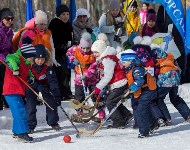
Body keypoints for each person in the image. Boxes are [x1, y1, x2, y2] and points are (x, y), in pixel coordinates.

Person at [91, 38, 133, 129]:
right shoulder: (105, 58)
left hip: (119, 83)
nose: (94, 54)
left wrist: (99, 87)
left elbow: (108, 76)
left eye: (96, 52)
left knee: (110, 102)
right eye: (93, 52)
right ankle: (126, 115)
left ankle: (119, 122)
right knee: (114, 101)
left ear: (101, 50)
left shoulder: (107, 59)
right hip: (117, 82)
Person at [2, 36, 36, 142]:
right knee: (20, 111)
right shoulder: (17, 58)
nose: (32, 60)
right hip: (11, 90)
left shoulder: (26, 62)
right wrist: (15, 68)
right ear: (25, 56)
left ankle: (17, 131)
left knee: (18, 111)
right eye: (31, 58)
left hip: (17, 90)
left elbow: (27, 71)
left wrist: (31, 76)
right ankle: (22, 132)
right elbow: (9, 58)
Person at [120, 49, 158, 138]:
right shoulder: (130, 68)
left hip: (149, 90)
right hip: (143, 91)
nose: (123, 64)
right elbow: (131, 82)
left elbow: (139, 81)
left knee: (141, 110)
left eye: (124, 62)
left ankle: (144, 132)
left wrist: (131, 90)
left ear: (130, 61)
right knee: (143, 108)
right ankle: (153, 124)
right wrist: (128, 93)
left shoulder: (137, 69)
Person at [25, 44, 62, 134]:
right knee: (30, 105)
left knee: (51, 102)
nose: (40, 61)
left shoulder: (48, 68)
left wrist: (56, 96)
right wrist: (38, 86)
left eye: (42, 59)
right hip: (31, 87)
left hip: (45, 87)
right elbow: (29, 79)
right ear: (34, 58)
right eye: (38, 59)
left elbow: (53, 82)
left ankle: (53, 122)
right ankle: (30, 125)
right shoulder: (29, 67)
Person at [151, 44, 190, 124]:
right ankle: (188, 115)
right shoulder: (169, 56)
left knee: (158, 98)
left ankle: (166, 118)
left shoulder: (153, 57)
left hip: (164, 79)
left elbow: (153, 71)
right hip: (175, 77)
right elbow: (178, 68)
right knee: (175, 97)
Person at [67, 32, 98, 115]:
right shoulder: (75, 49)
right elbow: (69, 52)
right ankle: (80, 111)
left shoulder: (93, 53)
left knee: (95, 94)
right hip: (79, 75)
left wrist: (86, 75)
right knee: (79, 95)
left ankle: (100, 110)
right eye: (83, 48)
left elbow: (94, 67)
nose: (85, 50)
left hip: (91, 76)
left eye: (88, 48)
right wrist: (73, 59)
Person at [48, 4, 74, 100]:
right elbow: (51, 39)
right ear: (59, 15)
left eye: (67, 14)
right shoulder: (54, 23)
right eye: (63, 14)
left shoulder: (68, 24)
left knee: (67, 72)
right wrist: (60, 46)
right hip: (56, 53)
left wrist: (70, 44)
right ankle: (62, 93)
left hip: (65, 53)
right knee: (61, 72)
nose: (66, 16)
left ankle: (66, 92)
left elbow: (70, 38)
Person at [156, 5, 187, 83]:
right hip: (167, 37)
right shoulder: (163, 7)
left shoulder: (182, 5)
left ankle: (181, 76)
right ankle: (170, 77)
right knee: (169, 57)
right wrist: (167, 32)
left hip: (181, 36)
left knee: (181, 56)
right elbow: (159, 22)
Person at [0, 8, 14, 110]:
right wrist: (3, 59)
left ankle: (7, 101)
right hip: (1, 60)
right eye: (7, 18)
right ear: (2, 20)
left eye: (11, 18)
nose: (9, 20)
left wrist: (13, 57)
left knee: (7, 82)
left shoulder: (9, 31)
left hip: (6, 59)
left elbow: (11, 48)